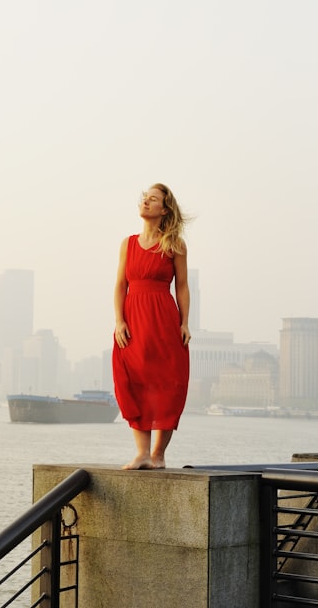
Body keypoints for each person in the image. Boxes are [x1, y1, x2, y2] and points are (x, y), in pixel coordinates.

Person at [112, 183, 191, 470]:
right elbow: (120, 285)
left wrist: (184, 322)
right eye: (144, 198)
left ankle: (158, 455)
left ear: (164, 209)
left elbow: (182, 287)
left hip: (164, 320)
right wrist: (119, 321)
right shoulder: (128, 244)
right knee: (132, 381)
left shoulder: (175, 244)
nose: (145, 202)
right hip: (133, 320)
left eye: (152, 200)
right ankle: (141, 453)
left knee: (167, 384)